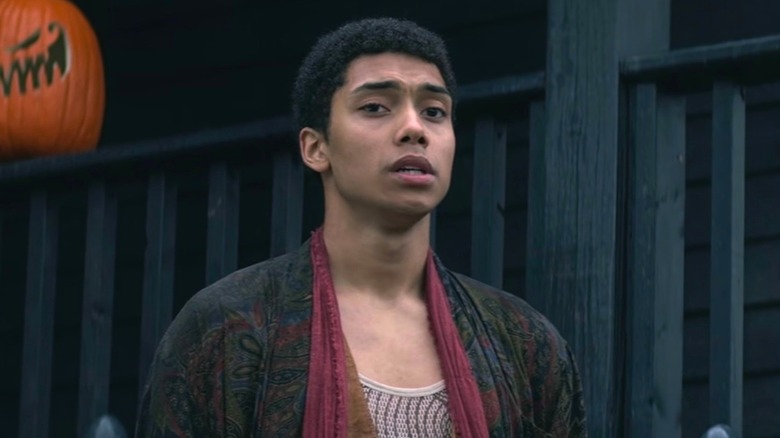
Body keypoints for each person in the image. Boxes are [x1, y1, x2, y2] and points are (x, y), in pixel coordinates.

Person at [136, 17, 586, 437]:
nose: (414, 129)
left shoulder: (524, 344)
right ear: (316, 148)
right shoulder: (226, 327)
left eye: (434, 111)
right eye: (375, 107)